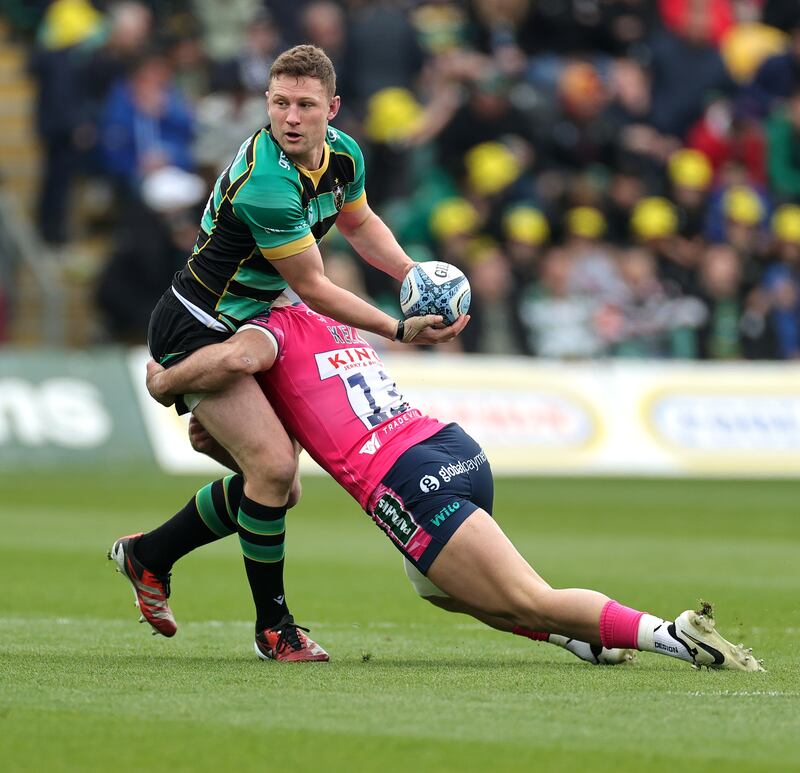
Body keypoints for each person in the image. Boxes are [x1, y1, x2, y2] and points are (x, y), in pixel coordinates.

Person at [127, 298, 764, 672]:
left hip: (407, 479)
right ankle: (582, 636)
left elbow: (241, 366)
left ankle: (675, 636)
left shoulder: (261, 327)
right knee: (437, 589)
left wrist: (166, 380)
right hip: (452, 448)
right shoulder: (331, 317)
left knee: (529, 597)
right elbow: (291, 435)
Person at [117, 45, 467, 662]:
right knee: (274, 471)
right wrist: (396, 326)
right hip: (200, 323)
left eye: (305, 105)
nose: (291, 117)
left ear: (331, 108)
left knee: (276, 487)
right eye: (280, 103)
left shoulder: (345, 154)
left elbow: (358, 225)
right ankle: (274, 631)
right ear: (267, 104)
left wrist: (414, 274)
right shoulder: (267, 185)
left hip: (259, 316)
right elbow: (313, 286)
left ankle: (149, 556)